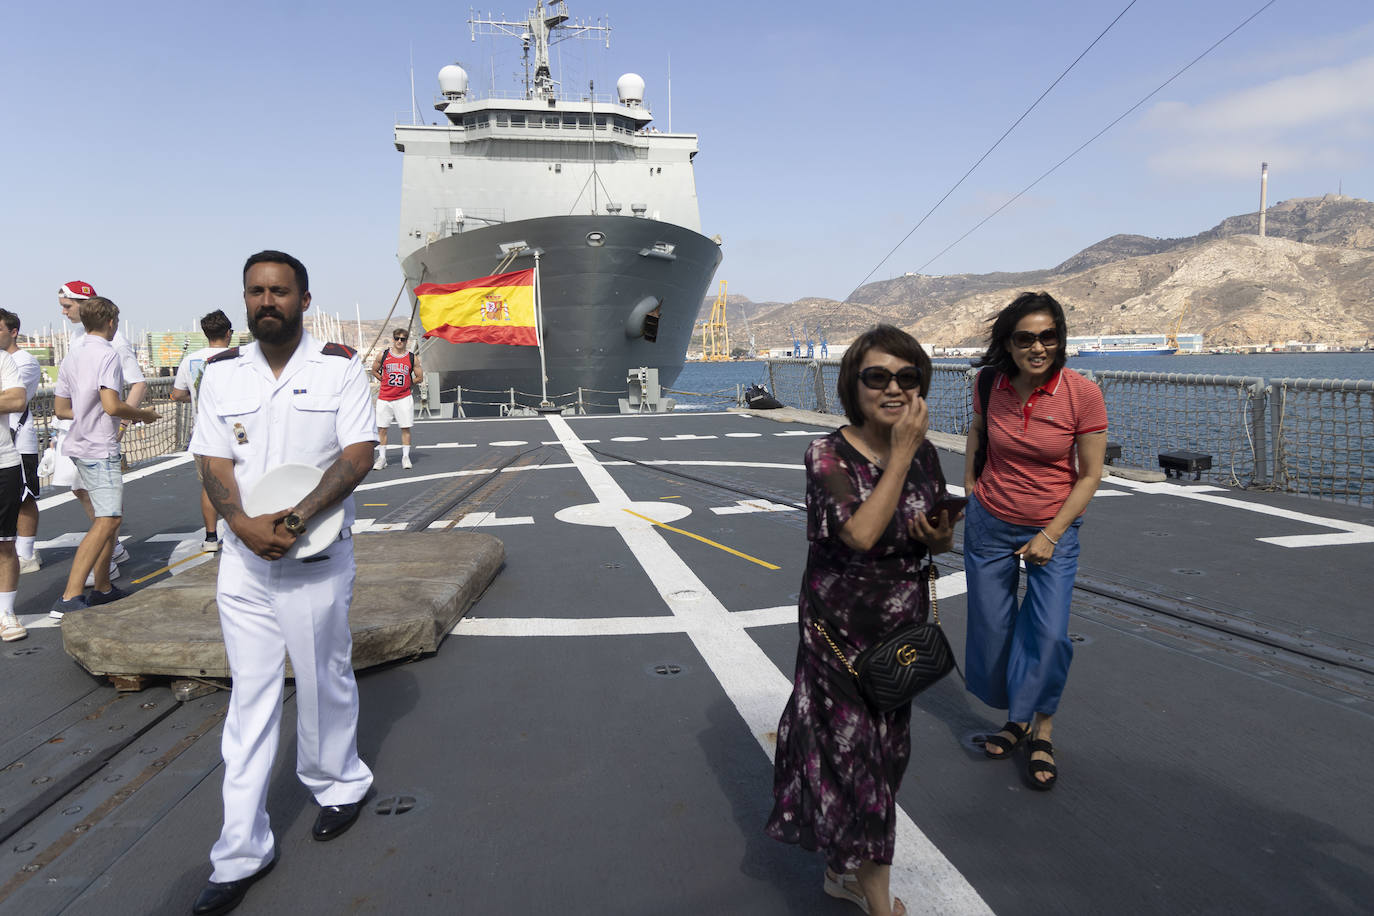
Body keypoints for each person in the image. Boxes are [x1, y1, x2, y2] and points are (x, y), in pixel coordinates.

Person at [188, 250, 376, 916]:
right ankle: (241, 849)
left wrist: (295, 518)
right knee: (250, 701)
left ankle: (339, 783)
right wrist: (238, 522)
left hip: (316, 558)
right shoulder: (220, 374)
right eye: (256, 292)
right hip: (244, 564)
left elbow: (360, 453)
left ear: (303, 298)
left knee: (324, 678)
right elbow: (212, 459)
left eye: (280, 291)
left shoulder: (340, 368)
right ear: (245, 300)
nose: (267, 301)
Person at [767, 325, 958, 916]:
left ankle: (841, 868)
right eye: (878, 376)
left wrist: (941, 536)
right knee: (862, 762)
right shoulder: (827, 454)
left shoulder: (924, 452)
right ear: (855, 384)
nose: (894, 388)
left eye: (908, 377)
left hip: (898, 635)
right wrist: (899, 455)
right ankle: (878, 900)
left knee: (889, 754)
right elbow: (859, 533)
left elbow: (932, 539)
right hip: (836, 634)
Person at [962, 291, 1107, 791]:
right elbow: (977, 433)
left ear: (1060, 340)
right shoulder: (988, 383)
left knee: (1046, 636)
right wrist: (969, 489)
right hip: (990, 522)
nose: (1038, 347)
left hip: (1054, 528)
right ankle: (1016, 720)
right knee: (994, 632)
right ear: (1009, 343)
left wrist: (1050, 533)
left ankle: (1041, 730)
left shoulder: (1082, 394)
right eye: (1026, 338)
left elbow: (1090, 475)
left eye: (1049, 336)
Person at [49, 297, 160, 620]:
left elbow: (60, 409)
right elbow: (112, 405)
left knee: (106, 516)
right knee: (108, 519)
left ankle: (103, 589)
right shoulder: (108, 354)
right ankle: (70, 596)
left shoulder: (73, 354)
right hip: (100, 447)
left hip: (79, 444)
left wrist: (86, 412)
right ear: (111, 322)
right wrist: (142, 415)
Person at [171, 309, 235, 552]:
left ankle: (210, 538)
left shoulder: (190, 360)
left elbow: (177, 394)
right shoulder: (240, 357)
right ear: (228, 333)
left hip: (204, 434)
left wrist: (197, 398)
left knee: (209, 487)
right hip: (238, 433)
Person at [0, 310, 44, 575]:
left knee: (25, 497)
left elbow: (14, 398)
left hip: (19, 438)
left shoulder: (22, 361)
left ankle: (26, 553)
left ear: (13, 331)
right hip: (8, 437)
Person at [0, 340, 31, 642]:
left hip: (3, 463)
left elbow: (16, 400)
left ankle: (6, 613)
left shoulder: (2, 360)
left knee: (5, 545)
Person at [370, 327, 421, 470]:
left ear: (406, 341)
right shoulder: (383, 355)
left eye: (403, 339)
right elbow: (374, 370)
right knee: (382, 428)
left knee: (405, 427)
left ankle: (405, 456)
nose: (400, 341)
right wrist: (382, 380)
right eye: (397, 338)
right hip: (384, 397)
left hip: (403, 398)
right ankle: (382, 457)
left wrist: (408, 383)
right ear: (393, 339)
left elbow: (420, 377)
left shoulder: (412, 358)